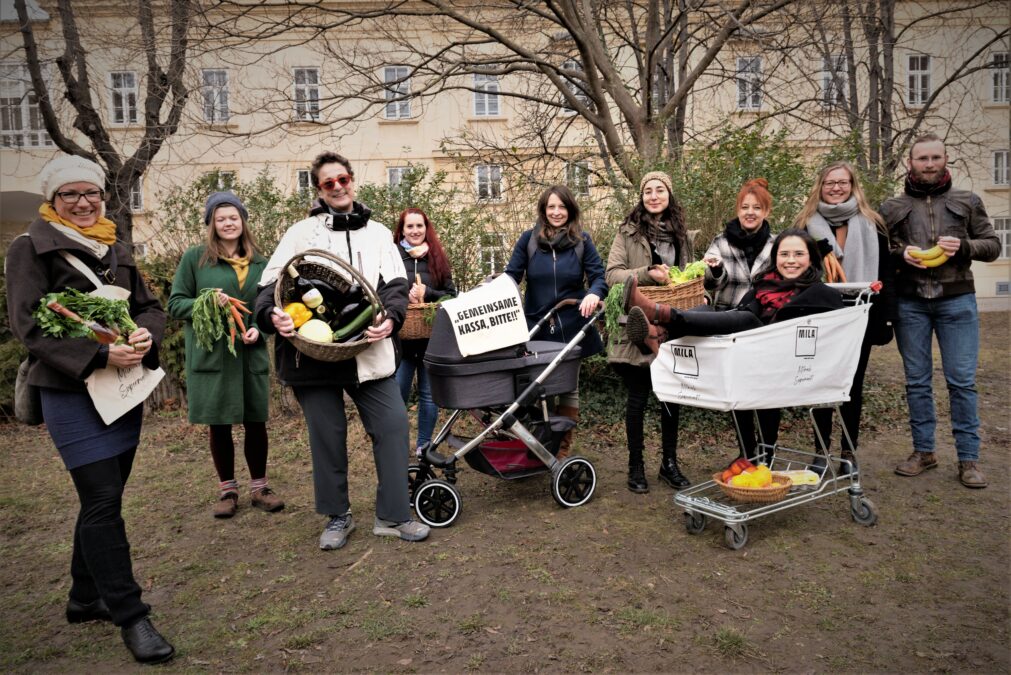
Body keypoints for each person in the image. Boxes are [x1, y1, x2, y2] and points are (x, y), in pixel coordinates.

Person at [5, 154, 174, 663]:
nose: (82, 203)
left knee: (105, 497)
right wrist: (98, 353)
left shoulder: (114, 247)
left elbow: (147, 306)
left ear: (103, 196)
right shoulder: (29, 247)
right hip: (71, 393)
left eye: (91, 193)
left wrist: (147, 335)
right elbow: (28, 324)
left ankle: (84, 597)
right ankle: (132, 615)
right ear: (52, 200)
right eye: (70, 195)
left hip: (122, 390)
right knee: (102, 498)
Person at [253, 151, 430, 549]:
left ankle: (393, 515)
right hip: (313, 353)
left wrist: (392, 319)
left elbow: (395, 287)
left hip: (369, 350)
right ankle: (338, 516)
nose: (337, 187)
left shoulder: (380, 233)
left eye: (342, 180)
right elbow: (267, 289)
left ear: (352, 180)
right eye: (328, 183)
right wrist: (272, 318)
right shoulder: (300, 233)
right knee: (327, 436)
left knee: (393, 426)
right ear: (319, 189)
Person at [881, 133, 1000, 488]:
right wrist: (898, 253)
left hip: (956, 299)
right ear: (910, 163)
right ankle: (924, 452)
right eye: (922, 159)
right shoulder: (891, 207)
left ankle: (968, 459)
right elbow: (881, 251)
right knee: (917, 381)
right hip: (910, 301)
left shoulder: (968, 200)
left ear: (945, 160)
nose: (929, 164)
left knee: (961, 381)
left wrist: (963, 246)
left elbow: (992, 246)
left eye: (935, 158)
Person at [168, 192, 284, 518]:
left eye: (233, 217)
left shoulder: (263, 263)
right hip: (213, 355)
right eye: (221, 218)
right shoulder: (196, 259)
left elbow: (274, 307)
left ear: (243, 221)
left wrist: (260, 331)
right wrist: (205, 302)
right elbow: (176, 303)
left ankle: (260, 488)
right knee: (218, 423)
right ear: (211, 224)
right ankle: (227, 490)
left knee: (255, 421)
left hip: (249, 353)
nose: (228, 223)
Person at [794, 162, 896, 476]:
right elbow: (795, 267)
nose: (836, 188)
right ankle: (820, 452)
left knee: (852, 385)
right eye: (829, 183)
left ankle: (848, 452)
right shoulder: (805, 224)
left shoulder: (872, 223)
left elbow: (885, 274)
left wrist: (885, 319)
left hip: (861, 312)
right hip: (821, 314)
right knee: (820, 383)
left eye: (843, 182)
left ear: (853, 185)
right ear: (820, 187)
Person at [504, 185, 607, 460]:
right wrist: (493, 287)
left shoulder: (582, 241)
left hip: (572, 323)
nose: (556, 212)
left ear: (570, 210)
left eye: (562, 207)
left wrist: (594, 293)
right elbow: (512, 276)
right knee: (538, 387)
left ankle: (562, 448)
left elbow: (598, 276)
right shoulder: (529, 240)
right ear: (543, 210)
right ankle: (540, 444)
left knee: (568, 386)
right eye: (551, 207)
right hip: (537, 325)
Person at [605, 170, 692, 493]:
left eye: (660, 190)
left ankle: (669, 464)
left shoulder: (682, 235)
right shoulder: (627, 233)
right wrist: (647, 274)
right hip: (636, 327)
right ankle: (636, 467)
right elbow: (612, 275)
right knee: (638, 398)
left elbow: (687, 276)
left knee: (671, 396)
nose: (653, 196)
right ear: (641, 197)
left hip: (671, 325)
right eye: (648, 192)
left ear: (669, 195)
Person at [700, 178, 778, 464]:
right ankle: (747, 451)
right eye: (745, 207)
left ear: (766, 212)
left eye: (757, 207)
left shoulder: (776, 244)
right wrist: (716, 269)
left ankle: (767, 452)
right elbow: (708, 281)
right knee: (739, 392)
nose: (750, 212)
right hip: (730, 325)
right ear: (738, 210)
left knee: (768, 393)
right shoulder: (721, 242)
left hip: (766, 328)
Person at [393, 207, 458, 456]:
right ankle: (397, 445)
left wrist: (427, 294)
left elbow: (452, 295)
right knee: (397, 395)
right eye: (409, 226)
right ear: (402, 230)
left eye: (419, 226)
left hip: (432, 341)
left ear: (426, 228)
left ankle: (423, 446)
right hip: (403, 342)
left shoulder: (438, 258)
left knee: (429, 397)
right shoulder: (393, 257)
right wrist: (404, 297)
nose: (415, 231)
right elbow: (382, 291)